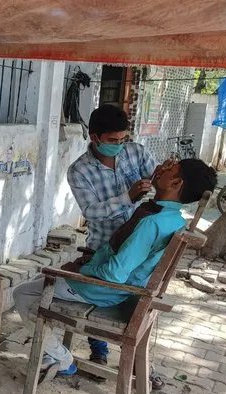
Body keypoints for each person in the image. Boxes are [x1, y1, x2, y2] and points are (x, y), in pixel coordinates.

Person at [15, 158, 217, 378]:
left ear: (176, 183)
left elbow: (114, 273)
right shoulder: (174, 220)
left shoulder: (152, 222)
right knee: (38, 289)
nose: (161, 168)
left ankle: (62, 359)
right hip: (119, 287)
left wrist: (79, 271)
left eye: (169, 168)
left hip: (102, 289)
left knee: (23, 294)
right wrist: (91, 260)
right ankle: (51, 354)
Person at [67, 104, 157, 366]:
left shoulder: (135, 152)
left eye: (122, 139)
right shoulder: (79, 170)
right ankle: (99, 349)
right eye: (112, 140)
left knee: (138, 301)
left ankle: (139, 361)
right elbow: (92, 212)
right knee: (100, 294)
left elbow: (158, 176)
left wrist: (162, 175)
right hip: (103, 244)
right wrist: (127, 197)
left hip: (139, 245)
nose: (119, 145)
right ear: (94, 137)